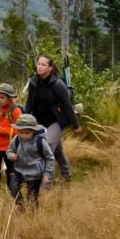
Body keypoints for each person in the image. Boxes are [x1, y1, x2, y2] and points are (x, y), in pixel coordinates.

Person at [24, 54, 80, 182]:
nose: (40, 66)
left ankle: (47, 181)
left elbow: (68, 106)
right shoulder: (34, 82)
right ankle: (66, 175)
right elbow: (29, 103)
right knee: (57, 149)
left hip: (57, 121)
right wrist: (25, 121)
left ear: (50, 68)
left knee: (47, 146)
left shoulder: (58, 84)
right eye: (39, 64)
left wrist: (76, 125)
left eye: (43, 64)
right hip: (40, 121)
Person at [6, 114, 54, 209]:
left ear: (33, 131)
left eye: (27, 133)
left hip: (35, 172)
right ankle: (21, 206)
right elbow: (9, 151)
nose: (23, 135)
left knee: (32, 196)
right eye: (21, 132)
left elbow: (49, 157)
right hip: (19, 170)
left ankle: (32, 214)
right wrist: (11, 155)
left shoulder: (40, 142)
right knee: (13, 187)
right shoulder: (16, 139)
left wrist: (47, 174)